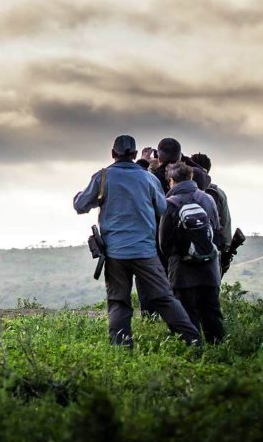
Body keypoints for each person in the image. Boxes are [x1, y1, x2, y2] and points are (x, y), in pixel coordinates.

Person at [74, 134, 201, 347]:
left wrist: (81, 196)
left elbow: (80, 206)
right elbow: (163, 209)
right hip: (145, 252)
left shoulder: (102, 177)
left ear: (113, 153)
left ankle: (122, 350)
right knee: (164, 298)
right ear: (134, 155)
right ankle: (193, 341)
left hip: (115, 254)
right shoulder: (148, 178)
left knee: (118, 302)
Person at [158, 162, 225, 344]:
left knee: (187, 317)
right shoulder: (208, 199)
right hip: (209, 267)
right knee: (212, 313)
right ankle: (219, 353)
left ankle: (194, 353)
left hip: (182, 271)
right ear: (191, 178)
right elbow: (216, 230)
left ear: (171, 181)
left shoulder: (169, 204)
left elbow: (164, 243)